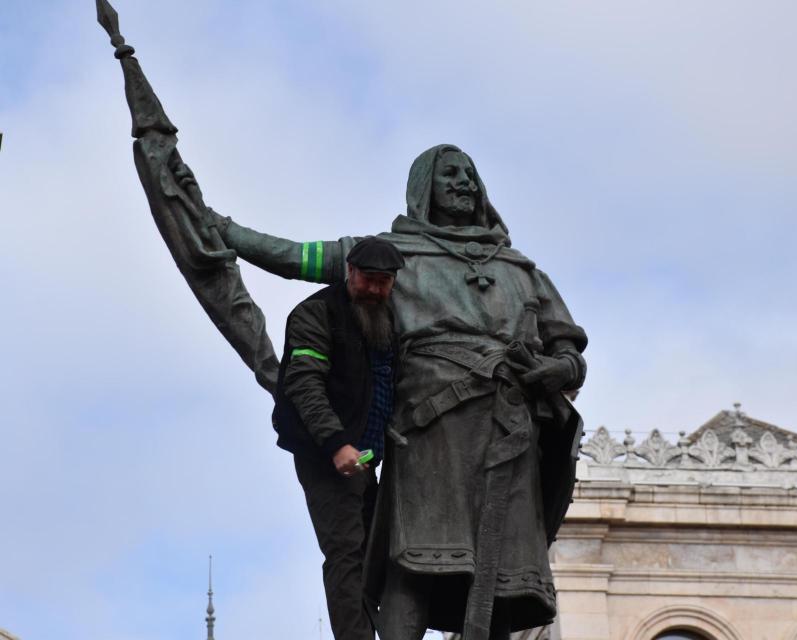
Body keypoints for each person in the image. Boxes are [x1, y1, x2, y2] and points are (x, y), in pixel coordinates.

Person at [210, 144, 588, 639]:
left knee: (505, 583)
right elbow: (288, 255)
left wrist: (556, 368)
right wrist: (220, 228)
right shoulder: (388, 255)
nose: (462, 184)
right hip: (428, 431)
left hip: (509, 430)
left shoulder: (521, 271)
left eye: (469, 175)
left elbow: (569, 351)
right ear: (424, 186)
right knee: (415, 565)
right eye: (449, 174)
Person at [273, 237, 405, 640]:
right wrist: (335, 444)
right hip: (326, 457)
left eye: (383, 282)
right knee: (346, 550)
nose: (375, 289)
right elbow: (305, 385)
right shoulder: (317, 314)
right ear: (350, 272)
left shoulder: (388, 319)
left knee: (374, 554)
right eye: (368, 279)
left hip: (367, 459)